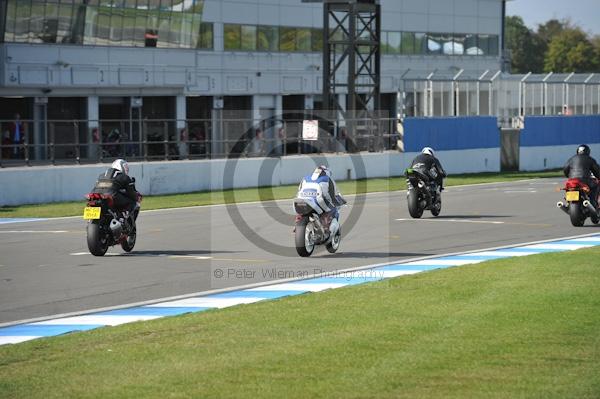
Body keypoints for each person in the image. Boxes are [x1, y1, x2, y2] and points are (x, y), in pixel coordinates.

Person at [92, 159, 140, 225]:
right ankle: (122, 218)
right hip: (111, 196)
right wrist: (137, 197)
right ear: (122, 167)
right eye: (125, 167)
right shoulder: (124, 177)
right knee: (132, 202)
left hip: (95, 195)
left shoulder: (102, 175)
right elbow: (131, 193)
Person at [299, 165, 346, 232]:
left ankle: (297, 224)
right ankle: (326, 229)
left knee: (300, 213)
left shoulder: (305, 178)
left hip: (302, 201)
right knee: (330, 210)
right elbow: (332, 197)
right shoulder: (328, 179)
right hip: (318, 201)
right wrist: (340, 202)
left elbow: (299, 191)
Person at [563, 144, 600, 210]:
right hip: (585, 180)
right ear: (588, 151)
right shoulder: (590, 159)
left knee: (569, 187)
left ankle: (568, 203)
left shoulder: (571, 159)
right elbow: (597, 170)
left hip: (572, 180)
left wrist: (569, 177)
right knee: (596, 185)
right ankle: (593, 202)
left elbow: (565, 169)